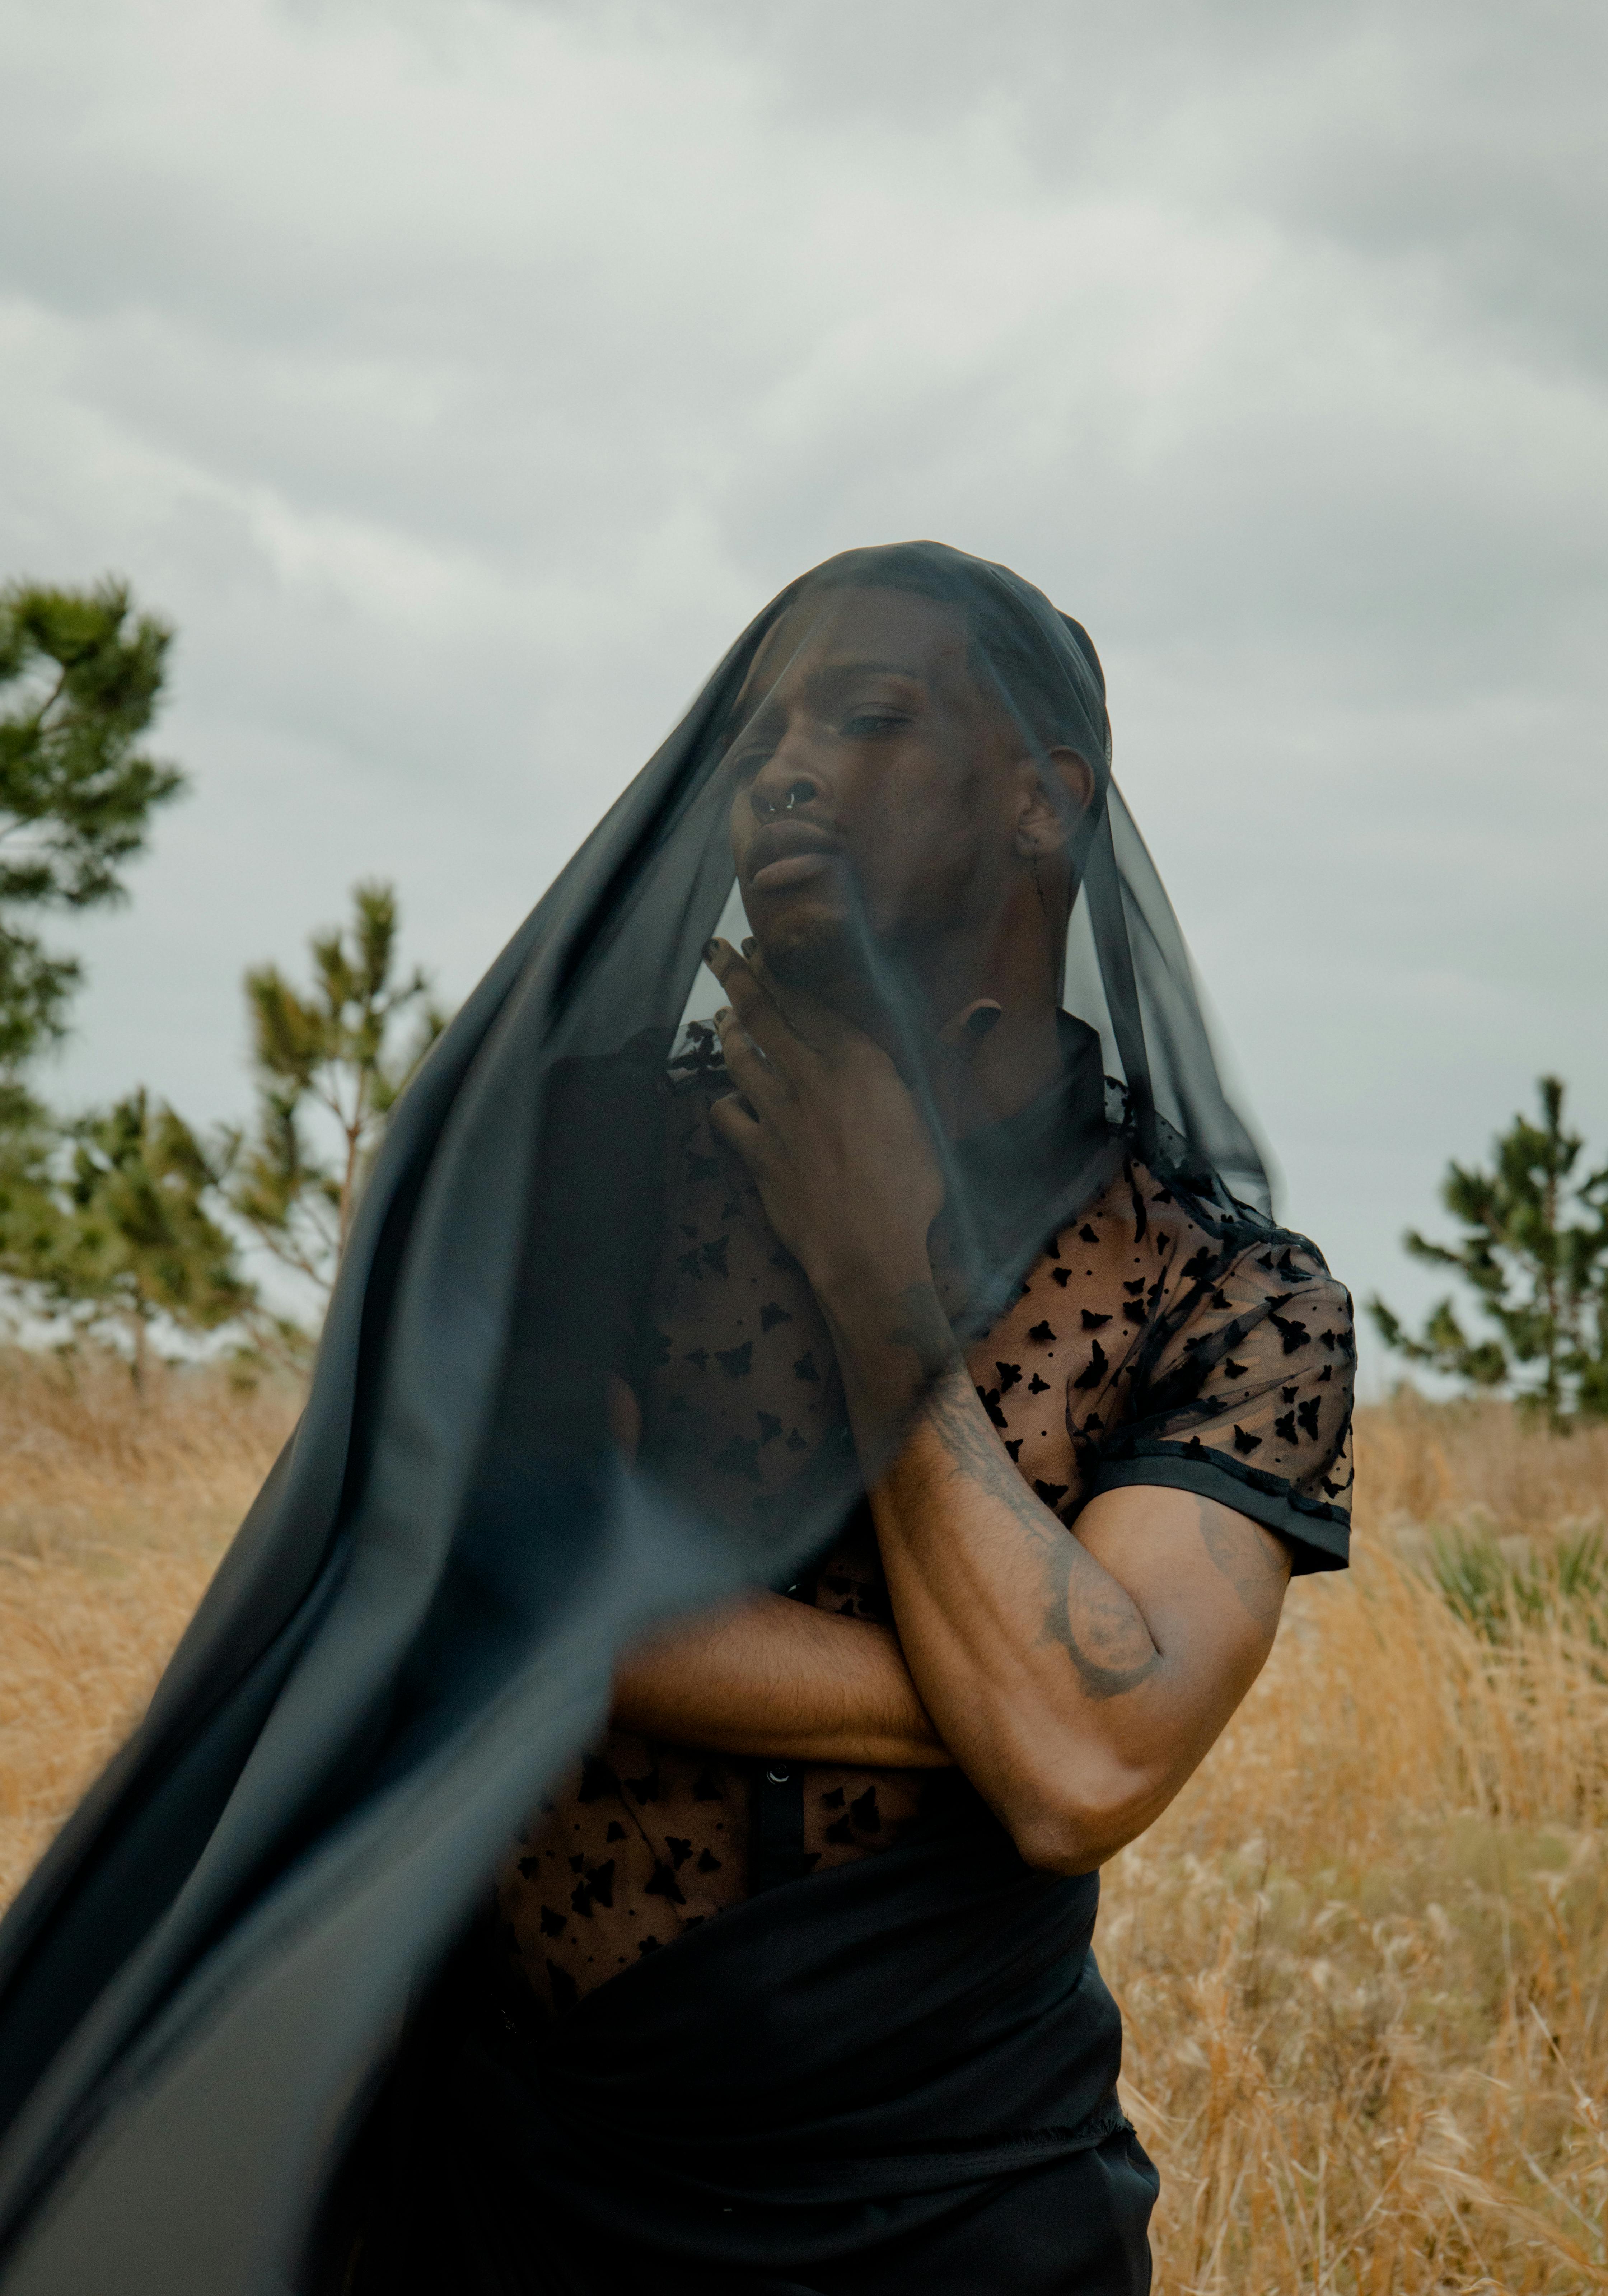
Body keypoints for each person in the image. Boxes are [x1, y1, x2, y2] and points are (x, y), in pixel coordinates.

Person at [0, 545, 1352, 2296]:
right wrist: (1022, 1688)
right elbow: (527, 1591)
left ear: (1044, 804)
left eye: (863, 717)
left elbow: (1085, 1768)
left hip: (958, 2204)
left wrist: (884, 1301)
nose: (779, 765)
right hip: (512, 2183)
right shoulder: (589, 1158)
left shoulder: (1234, 1297)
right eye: (756, 733)